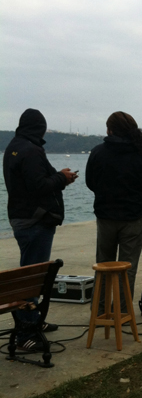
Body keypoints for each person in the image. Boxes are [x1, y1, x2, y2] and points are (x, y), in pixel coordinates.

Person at [2, 109, 78, 350]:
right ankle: (26, 333)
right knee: (32, 278)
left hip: (21, 217)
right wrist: (62, 178)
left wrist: (58, 177)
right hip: (35, 221)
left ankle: (34, 320)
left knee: (30, 271)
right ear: (40, 129)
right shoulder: (32, 151)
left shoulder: (13, 147)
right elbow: (39, 186)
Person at [85, 112, 142, 311]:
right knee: (128, 267)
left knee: (103, 264)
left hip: (105, 216)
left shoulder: (98, 152)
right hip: (133, 217)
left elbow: (90, 182)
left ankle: (99, 309)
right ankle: (121, 310)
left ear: (110, 130)